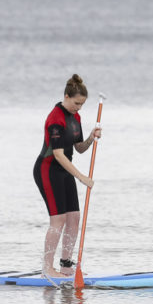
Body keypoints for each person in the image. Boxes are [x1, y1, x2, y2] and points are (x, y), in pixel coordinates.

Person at [33, 74, 102, 278]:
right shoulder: (55, 118)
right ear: (66, 96)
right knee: (58, 219)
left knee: (74, 218)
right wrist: (81, 177)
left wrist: (91, 137)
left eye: (82, 104)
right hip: (48, 170)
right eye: (76, 103)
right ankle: (47, 268)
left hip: (65, 171)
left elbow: (78, 148)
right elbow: (58, 154)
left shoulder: (76, 118)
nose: (78, 108)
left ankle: (65, 266)